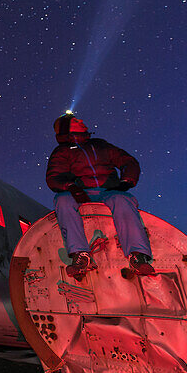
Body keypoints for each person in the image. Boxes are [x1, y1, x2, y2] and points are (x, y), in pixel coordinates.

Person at [45, 113, 155, 278]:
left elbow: (128, 161)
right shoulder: (62, 152)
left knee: (122, 200)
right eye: (76, 121)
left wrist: (126, 181)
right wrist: (71, 187)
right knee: (62, 201)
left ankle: (137, 255)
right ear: (67, 128)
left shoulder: (100, 145)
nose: (82, 120)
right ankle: (80, 255)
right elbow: (54, 177)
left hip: (108, 191)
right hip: (81, 193)